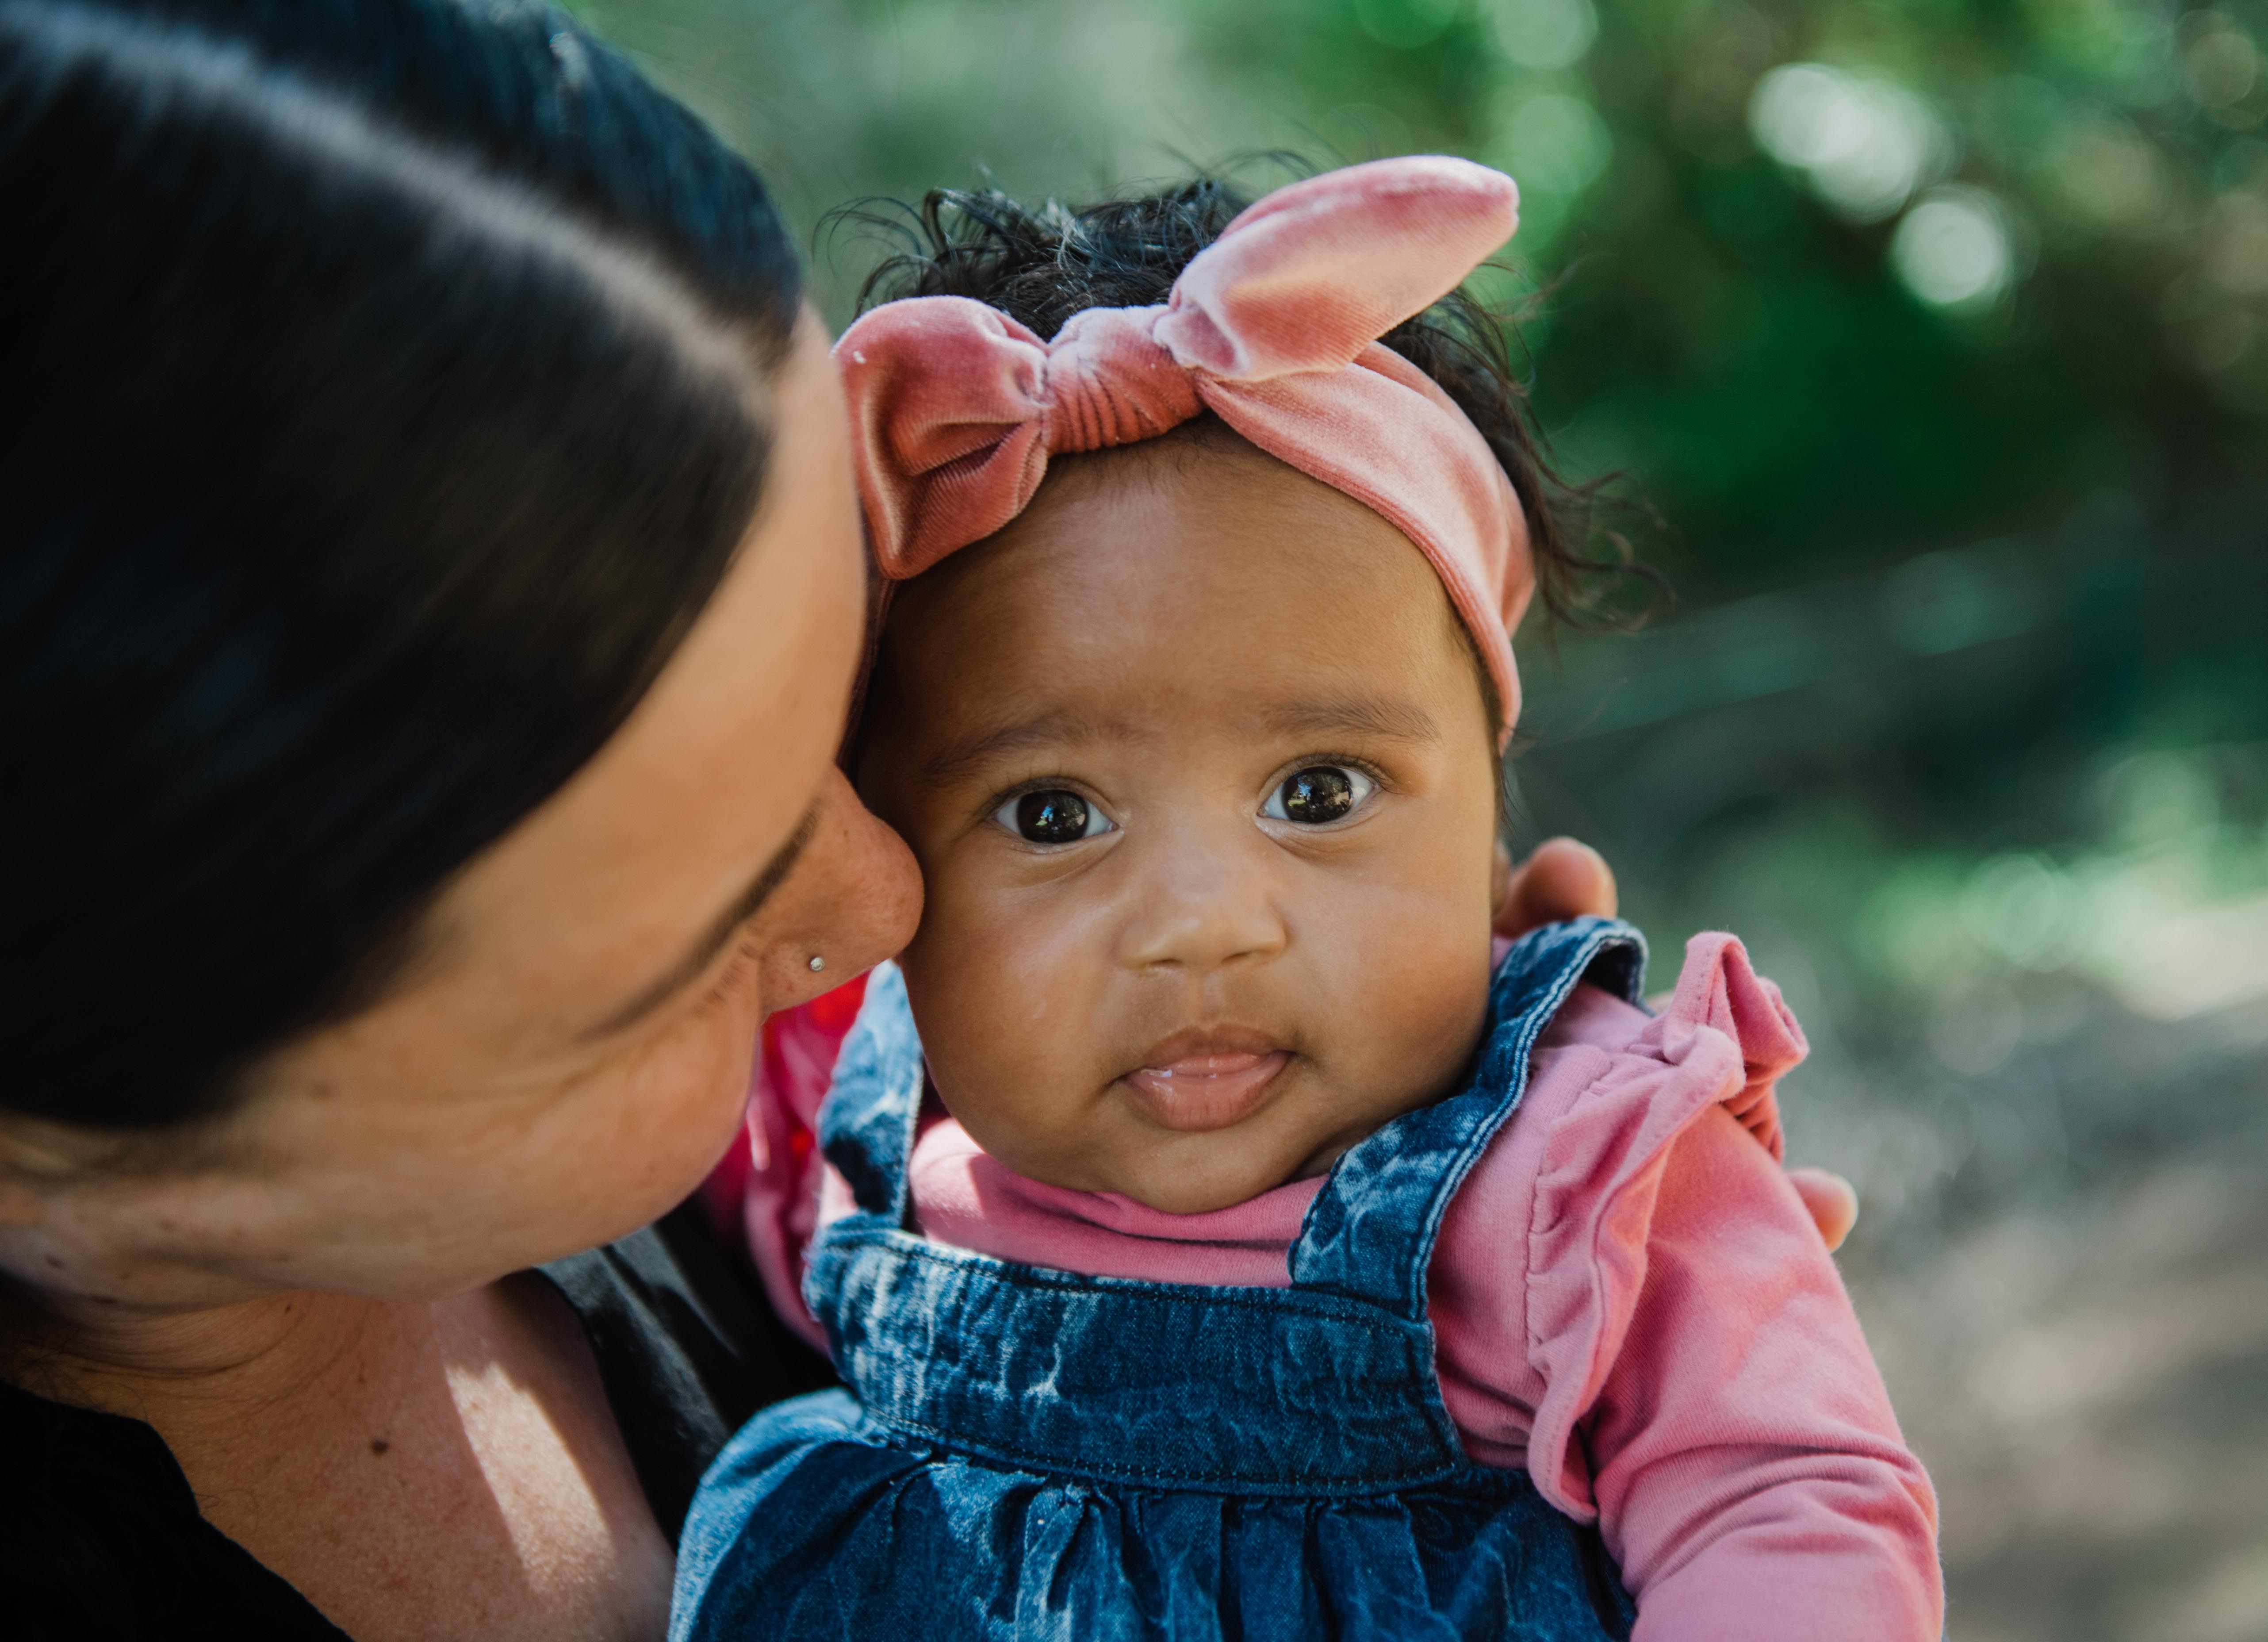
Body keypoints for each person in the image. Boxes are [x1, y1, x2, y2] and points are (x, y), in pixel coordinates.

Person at [0, 7, 1713, 1639]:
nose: (888, 903)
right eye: (698, 923)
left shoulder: (845, 1164)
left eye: (836, 724)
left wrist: (1575, 1336)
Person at [668, 160, 1940, 1640]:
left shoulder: (1570, 1172)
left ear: (1495, 852)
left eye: (1320, 793)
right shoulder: (853, 1119)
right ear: (890, 868)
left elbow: (1782, 1497)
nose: (1205, 923)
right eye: (1053, 815)